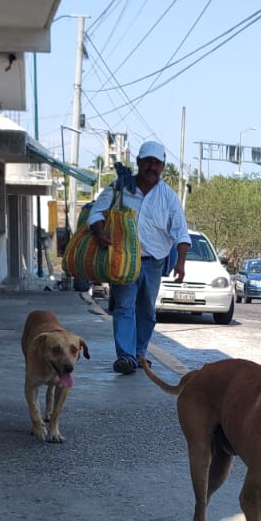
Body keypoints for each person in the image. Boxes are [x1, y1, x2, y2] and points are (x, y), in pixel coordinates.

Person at [88, 140, 189, 374]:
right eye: (148, 162)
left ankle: (140, 353)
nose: (152, 167)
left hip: (154, 262)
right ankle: (126, 356)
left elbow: (181, 233)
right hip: (122, 259)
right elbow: (96, 212)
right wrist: (101, 232)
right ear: (139, 163)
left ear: (162, 167)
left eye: (157, 163)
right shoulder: (119, 187)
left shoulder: (169, 197)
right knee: (124, 306)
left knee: (146, 311)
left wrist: (181, 263)